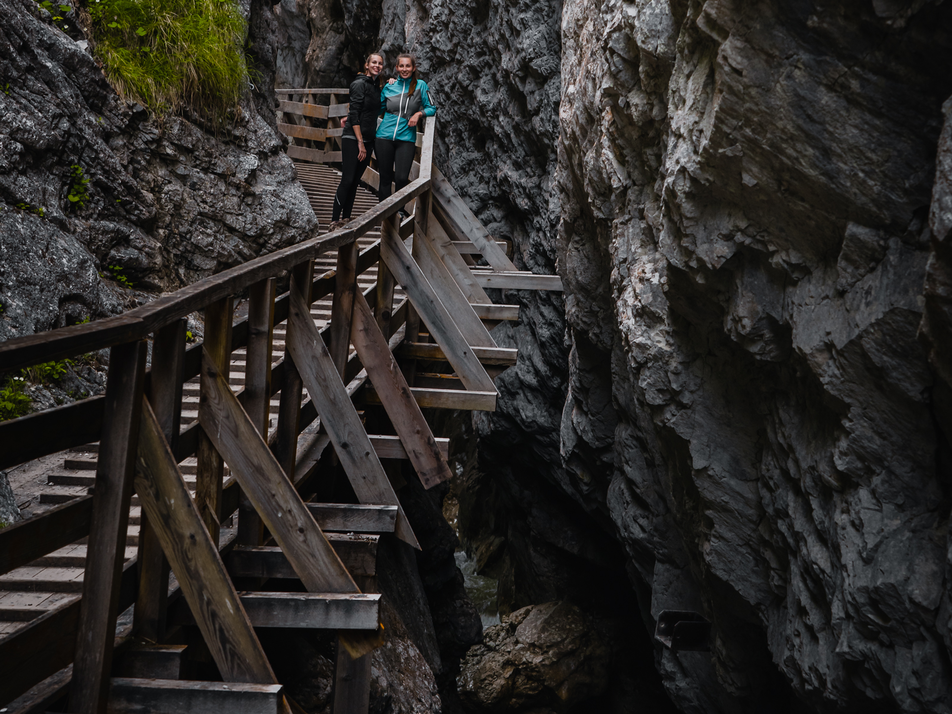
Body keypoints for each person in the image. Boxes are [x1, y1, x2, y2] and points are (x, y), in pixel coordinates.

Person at [328, 52, 385, 231]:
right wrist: (360, 143)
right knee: (347, 179)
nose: (377, 65)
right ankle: (333, 221)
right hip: (354, 138)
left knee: (355, 181)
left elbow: (367, 111)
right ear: (366, 65)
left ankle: (346, 218)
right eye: (374, 62)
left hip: (368, 139)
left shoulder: (377, 87)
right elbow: (355, 111)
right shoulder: (359, 84)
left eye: (380, 63)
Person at [375, 53, 436, 218]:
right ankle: (384, 215)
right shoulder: (389, 87)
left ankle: (399, 211)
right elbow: (378, 108)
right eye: (401, 66)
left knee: (402, 178)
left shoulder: (420, 86)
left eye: (407, 66)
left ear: (413, 68)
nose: (404, 69)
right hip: (383, 137)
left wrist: (418, 114)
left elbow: (432, 108)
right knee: (385, 178)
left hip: (406, 139)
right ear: (396, 68)